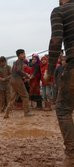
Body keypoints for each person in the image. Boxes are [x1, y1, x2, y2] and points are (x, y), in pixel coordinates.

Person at [46, 0, 74, 164]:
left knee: (63, 109)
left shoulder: (60, 11)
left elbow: (56, 40)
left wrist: (50, 69)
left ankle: (72, 154)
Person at [4, 49, 34, 119]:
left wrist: (24, 76)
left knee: (13, 98)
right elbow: (18, 70)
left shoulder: (15, 62)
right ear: (20, 55)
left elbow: (15, 71)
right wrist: (26, 75)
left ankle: (6, 113)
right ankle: (27, 112)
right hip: (17, 80)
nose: (24, 55)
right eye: (23, 54)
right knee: (25, 96)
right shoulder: (20, 61)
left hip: (13, 80)